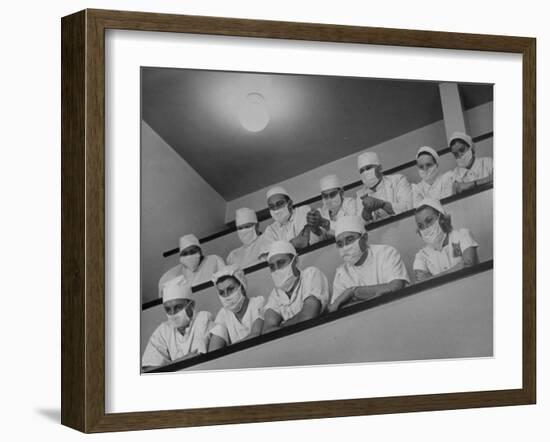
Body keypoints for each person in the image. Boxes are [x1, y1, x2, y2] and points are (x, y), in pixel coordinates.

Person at [328, 216, 409, 312]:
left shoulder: (386, 253)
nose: (345, 247)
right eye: (340, 244)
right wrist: (377, 292)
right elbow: (337, 309)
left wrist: (353, 292)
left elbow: (395, 288)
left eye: (350, 239)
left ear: (364, 238)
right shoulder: (341, 273)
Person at [141, 276, 225, 369]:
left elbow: (212, 364)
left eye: (178, 307)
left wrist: (168, 366)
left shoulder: (203, 319)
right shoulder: (163, 331)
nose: (173, 313)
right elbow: (148, 369)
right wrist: (182, 360)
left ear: (192, 305)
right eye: (168, 309)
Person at [262, 240, 329, 333]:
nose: (277, 269)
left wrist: (282, 325)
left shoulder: (310, 274)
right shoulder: (275, 294)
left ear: (296, 261)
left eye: (281, 262)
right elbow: (267, 331)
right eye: (272, 267)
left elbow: (308, 316)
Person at [413, 198, 479, 282]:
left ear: (441, 218)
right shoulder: (421, 255)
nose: (426, 228)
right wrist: (458, 267)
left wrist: (431, 278)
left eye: (429, 221)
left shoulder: (462, 235)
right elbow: (420, 282)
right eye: (421, 226)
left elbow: (468, 264)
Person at [210, 265, 265, 346]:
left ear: (242, 287)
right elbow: (214, 349)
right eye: (222, 293)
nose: (227, 295)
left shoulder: (258, 302)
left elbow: (255, 336)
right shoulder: (223, 314)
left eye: (230, 289)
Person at [158, 234, 225, 298]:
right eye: (185, 254)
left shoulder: (214, 260)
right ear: (180, 257)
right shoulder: (174, 274)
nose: (189, 256)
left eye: (192, 252)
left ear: (200, 252)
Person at [355, 151, 413, 223]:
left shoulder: (398, 180)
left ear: (380, 167)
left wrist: (383, 204)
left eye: (368, 168)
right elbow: (360, 222)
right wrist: (366, 211)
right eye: (362, 171)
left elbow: (408, 207)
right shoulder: (360, 195)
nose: (365, 173)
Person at [263, 186, 319, 251]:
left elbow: (312, 240)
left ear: (290, 203)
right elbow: (272, 254)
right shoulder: (271, 230)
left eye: (280, 204)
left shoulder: (303, 211)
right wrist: (293, 244)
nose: (276, 210)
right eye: (272, 206)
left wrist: (284, 247)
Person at [306, 174, 358, 239]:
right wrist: (315, 229)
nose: (329, 199)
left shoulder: (350, 203)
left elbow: (350, 229)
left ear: (341, 192)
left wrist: (324, 223)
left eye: (332, 194)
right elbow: (320, 240)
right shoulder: (322, 212)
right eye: (325, 196)